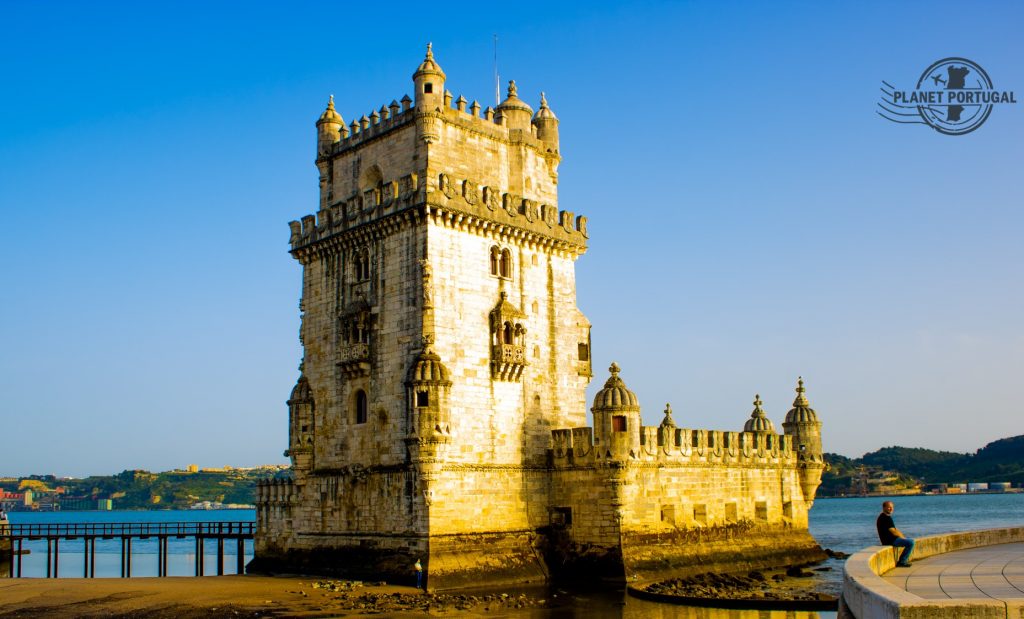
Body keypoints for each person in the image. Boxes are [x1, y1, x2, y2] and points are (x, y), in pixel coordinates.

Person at [876, 500, 915, 567]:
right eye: (889, 507)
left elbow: (895, 529)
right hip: (890, 541)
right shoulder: (885, 518)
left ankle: (903, 561)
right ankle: (902, 561)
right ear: (884, 508)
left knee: (909, 541)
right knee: (910, 542)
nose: (891, 509)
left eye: (892, 507)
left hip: (891, 540)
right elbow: (893, 531)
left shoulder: (884, 516)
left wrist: (902, 537)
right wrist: (903, 538)